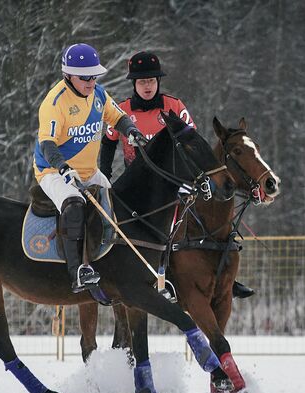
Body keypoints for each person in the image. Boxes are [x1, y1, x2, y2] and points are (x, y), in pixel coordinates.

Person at [99, 51, 255, 299]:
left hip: (174, 182)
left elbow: (194, 143)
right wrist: (104, 177)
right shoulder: (122, 111)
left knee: (204, 214)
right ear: (134, 84)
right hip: (137, 186)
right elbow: (108, 145)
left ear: (158, 82)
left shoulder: (174, 107)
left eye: (151, 81)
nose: (147, 86)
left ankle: (225, 277)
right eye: (142, 82)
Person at [34, 43, 148, 294]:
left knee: (118, 203)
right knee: (75, 204)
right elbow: (47, 144)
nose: (90, 81)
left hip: (88, 169)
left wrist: (132, 132)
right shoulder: (54, 103)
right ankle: (77, 272)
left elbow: (117, 117)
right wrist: (62, 167)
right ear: (68, 76)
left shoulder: (98, 94)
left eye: (94, 75)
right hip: (53, 171)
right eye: (84, 77)